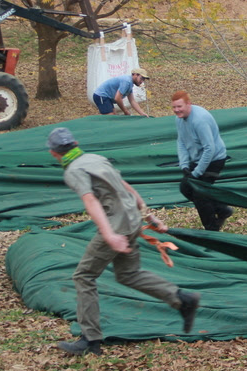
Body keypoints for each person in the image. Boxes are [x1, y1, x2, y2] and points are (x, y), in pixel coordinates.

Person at [47, 127, 201, 356]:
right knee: (129, 274)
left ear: (53, 153)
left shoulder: (73, 171)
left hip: (117, 227)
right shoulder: (95, 159)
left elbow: (91, 202)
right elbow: (125, 186)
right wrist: (148, 215)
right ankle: (182, 299)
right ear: (76, 143)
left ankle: (90, 340)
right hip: (131, 221)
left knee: (84, 276)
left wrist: (109, 235)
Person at [172, 90, 233, 230]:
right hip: (198, 157)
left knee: (199, 193)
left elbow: (209, 149)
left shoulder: (200, 120)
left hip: (214, 159)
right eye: (174, 107)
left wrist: (197, 172)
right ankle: (222, 210)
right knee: (185, 188)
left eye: (179, 106)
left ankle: (211, 228)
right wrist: (184, 165)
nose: (176, 110)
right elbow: (181, 142)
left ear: (188, 104)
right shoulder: (179, 119)